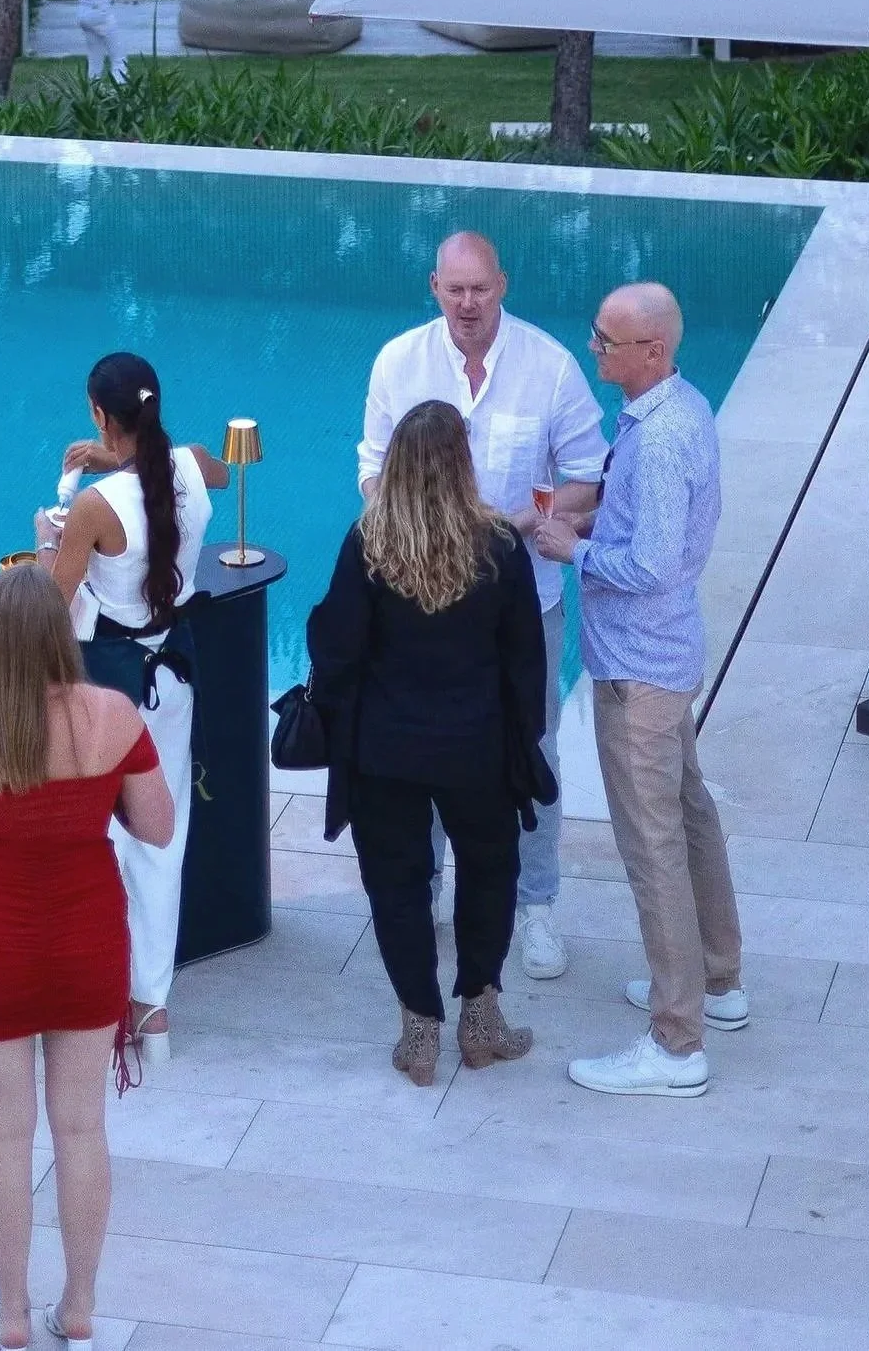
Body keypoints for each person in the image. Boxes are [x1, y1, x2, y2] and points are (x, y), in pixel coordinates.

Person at [0, 563, 174, 1351]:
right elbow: (158, 828)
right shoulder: (116, 717)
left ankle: (11, 1316)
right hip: (86, 941)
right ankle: (83, 1306)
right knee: (82, 1130)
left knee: (3, 1136)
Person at [357, 226, 604, 978]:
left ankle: (537, 908)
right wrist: (423, 530)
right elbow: (372, 475)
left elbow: (589, 481)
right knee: (423, 744)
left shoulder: (552, 368)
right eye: (454, 289)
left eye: (480, 289)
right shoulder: (399, 362)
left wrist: (521, 519)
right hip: (422, 603)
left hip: (523, 599)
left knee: (532, 748)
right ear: (435, 286)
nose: (468, 303)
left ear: (503, 286)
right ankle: (430, 887)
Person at [535, 280, 744, 1098]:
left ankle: (675, 1038)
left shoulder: (656, 441)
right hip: (668, 654)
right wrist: (594, 522)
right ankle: (717, 979)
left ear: (649, 351)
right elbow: (655, 530)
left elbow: (651, 566)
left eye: (605, 339)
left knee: (652, 845)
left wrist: (569, 548)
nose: (593, 348)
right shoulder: (679, 407)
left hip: (638, 665)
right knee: (691, 818)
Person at [307, 399, 549, 1085]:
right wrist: (521, 741)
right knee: (489, 873)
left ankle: (419, 1030)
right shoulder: (498, 545)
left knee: (397, 882)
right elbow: (524, 658)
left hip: (386, 750)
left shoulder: (370, 543)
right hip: (476, 746)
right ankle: (480, 1019)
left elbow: (337, 645)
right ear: (461, 463)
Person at [43, 347, 227, 1060]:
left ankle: (88, 989)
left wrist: (49, 536)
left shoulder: (94, 508)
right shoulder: (193, 465)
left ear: (98, 415)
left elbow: (52, 604)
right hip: (171, 680)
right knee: (159, 837)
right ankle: (151, 1006)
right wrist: (127, 455)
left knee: (95, 837)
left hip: (107, 687)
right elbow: (206, 468)